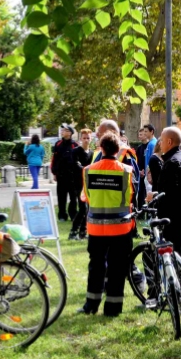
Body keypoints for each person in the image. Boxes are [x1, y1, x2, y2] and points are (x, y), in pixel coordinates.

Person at [77, 132, 135, 317]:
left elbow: (85, 197)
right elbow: (132, 196)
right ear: (118, 150)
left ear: (101, 149)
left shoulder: (88, 170)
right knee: (118, 268)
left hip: (96, 228)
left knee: (96, 266)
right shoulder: (126, 171)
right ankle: (113, 308)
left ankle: (91, 305)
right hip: (120, 228)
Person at [149, 126, 181, 257]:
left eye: (161, 140)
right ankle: (180, 275)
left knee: (171, 254)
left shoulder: (172, 162)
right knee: (178, 252)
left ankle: (176, 276)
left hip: (172, 216)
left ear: (169, 142)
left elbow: (168, 193)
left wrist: (154, 197)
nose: (160, 144)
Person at [51, 124, 80, 221]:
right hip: (61, 175)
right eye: (62, 130)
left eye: (65, 130)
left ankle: (73, 214)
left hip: (72, 176)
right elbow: (54, 159)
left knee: (73, 197)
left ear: (70, 133)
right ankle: (62, 215)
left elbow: (78, 161)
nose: (62, 131)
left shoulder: (75, 145)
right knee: (61, 197)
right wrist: (54, 172)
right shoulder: (58, 144)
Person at [70, 129, 94, 240]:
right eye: (84, 138)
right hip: (78, 183)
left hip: (88, 184)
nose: (86, 140)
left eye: (88, 138)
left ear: (91, 139)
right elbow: (75, 165)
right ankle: (73, 231)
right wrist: (86, 169)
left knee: (88, 208)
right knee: (83, 208)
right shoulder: (75, 151)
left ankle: (83, 232)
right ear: (80, 139)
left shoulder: (92, 153)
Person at [136, 124, 156, 205]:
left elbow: (152, 160)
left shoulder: (152, 144)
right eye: (143, 131)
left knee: (150, 196)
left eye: (146, 132)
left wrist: (148, 174)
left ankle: (151, 214)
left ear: (152, 132)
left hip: (149, 175)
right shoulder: (150, 143)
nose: (144, 134)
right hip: (147, 174)